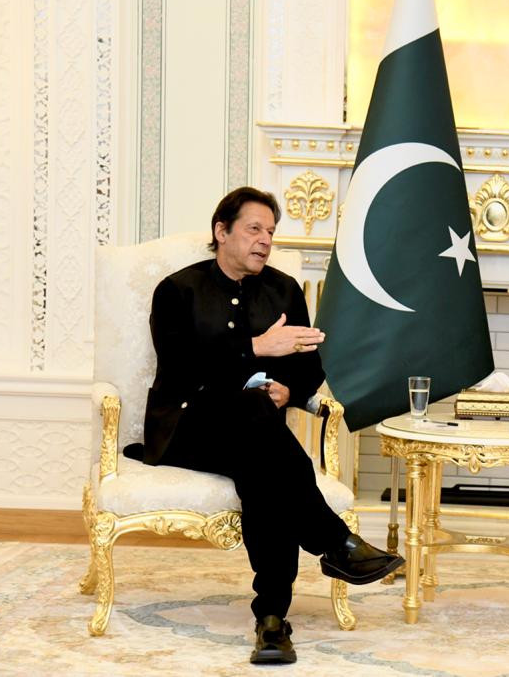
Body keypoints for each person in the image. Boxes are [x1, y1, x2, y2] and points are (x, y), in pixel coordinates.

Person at [136, 187, 403, 665]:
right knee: (258, 426)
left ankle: (273, 621)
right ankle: (331, 542)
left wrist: (289, 390)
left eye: (271, 232)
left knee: (261, 457)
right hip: (185, 425)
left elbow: (308, 364)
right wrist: (257, 349)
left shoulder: (283, 290)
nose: (265, 241)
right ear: (222, 232)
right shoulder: (178, 291)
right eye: (254, 229)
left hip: (252, 434)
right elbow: (181, 372)